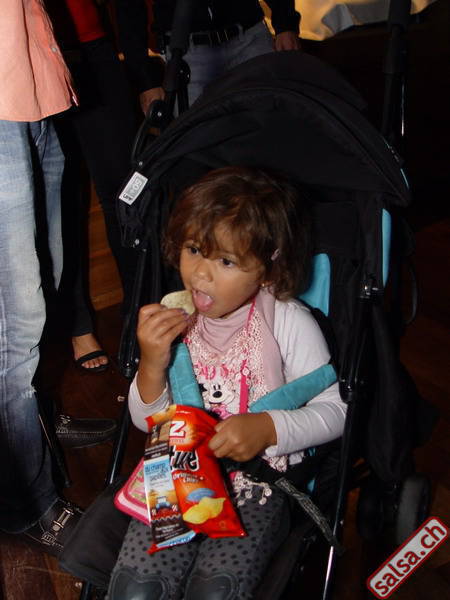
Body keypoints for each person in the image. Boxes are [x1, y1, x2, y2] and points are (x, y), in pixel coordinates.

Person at [107, 166, 346, 599]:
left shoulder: (287, 322)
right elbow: (147, 423)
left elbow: (337, 410)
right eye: (194, 250)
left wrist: (269, 428)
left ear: (268, 270)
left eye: (226, 261)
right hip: (175, 477)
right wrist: (152, 363)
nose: (201, 273)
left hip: (257, 486)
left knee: (215, 591)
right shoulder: (173, 321)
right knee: (136, 588)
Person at [0, 0, 115, 556]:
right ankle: (26, 503)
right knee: (13, 327)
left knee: (46, 283)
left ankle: (36, 424)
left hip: (34, 87)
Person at [46, 0, 138, 371]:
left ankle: (139, 308)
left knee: (127, 195)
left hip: (95, 49)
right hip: (45, 55)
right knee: (64, 203)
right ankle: (78, 325)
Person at [114, 0, 301, 113]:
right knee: (199, 146)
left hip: (249, 39)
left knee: (274, 127)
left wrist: (286, 23)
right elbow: (128, 8)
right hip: (188, 54)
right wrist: (146, 81)